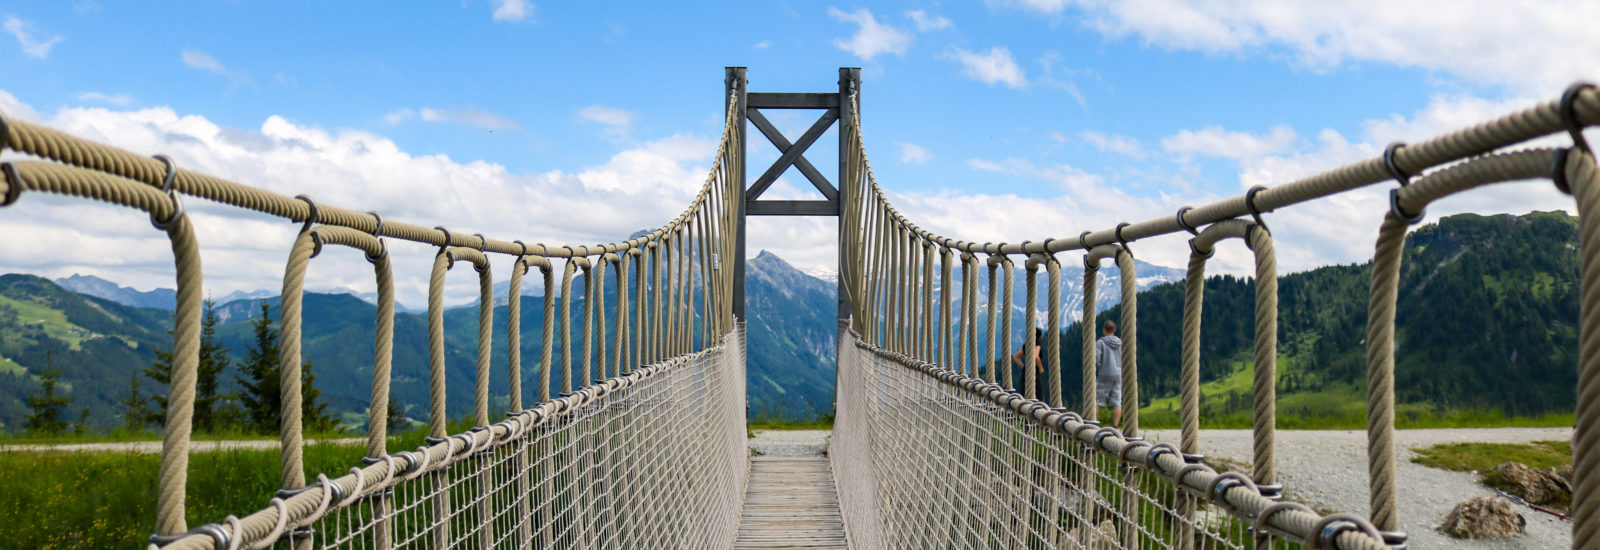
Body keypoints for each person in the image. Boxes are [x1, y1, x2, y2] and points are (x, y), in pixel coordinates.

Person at [1096, 320, 1123, 426]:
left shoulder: (1100, 342)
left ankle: (1094, 423)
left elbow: (1097, 358)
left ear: (1104, 330)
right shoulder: (1120, 343)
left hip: (1104, 374)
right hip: (1118, 374)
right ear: (1114, 330)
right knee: (1117, 402)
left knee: (1098, 401)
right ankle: (1115, 426)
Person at [1011, 328, 1048, 400]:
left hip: (1025, 372)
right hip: (1034, 372)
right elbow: (1036, 356)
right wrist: (1040, 368)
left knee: (1024, 394)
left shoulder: (1026, 345)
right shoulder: (1037, 345)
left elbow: (1015, 357)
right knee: (1038, 396)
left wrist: (1023, 367)